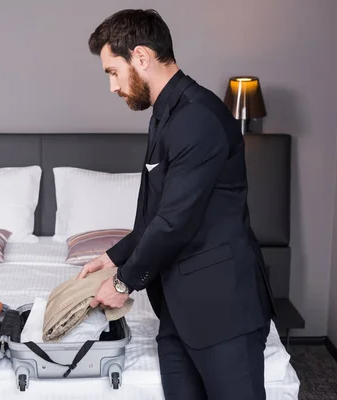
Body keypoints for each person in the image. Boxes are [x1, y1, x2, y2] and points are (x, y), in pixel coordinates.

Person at [78, 9, 275, 400]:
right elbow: (156, 211)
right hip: (178, 312)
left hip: (223, 312)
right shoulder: (165, 114)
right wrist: (114, 256)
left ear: (141, 57)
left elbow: (173, 222)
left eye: (112, 72)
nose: (113, 87)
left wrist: (122, 283)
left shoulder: (197, 118)